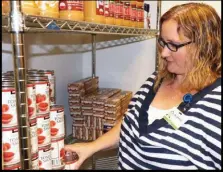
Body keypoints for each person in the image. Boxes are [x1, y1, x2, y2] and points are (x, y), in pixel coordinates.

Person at [65, 2, 221, 170]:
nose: (164, 53)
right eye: (162, 42)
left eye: (173, 45)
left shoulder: (216, 104)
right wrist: (91, 147)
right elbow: (130, 122)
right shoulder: (156, 80)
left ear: (204, 45)